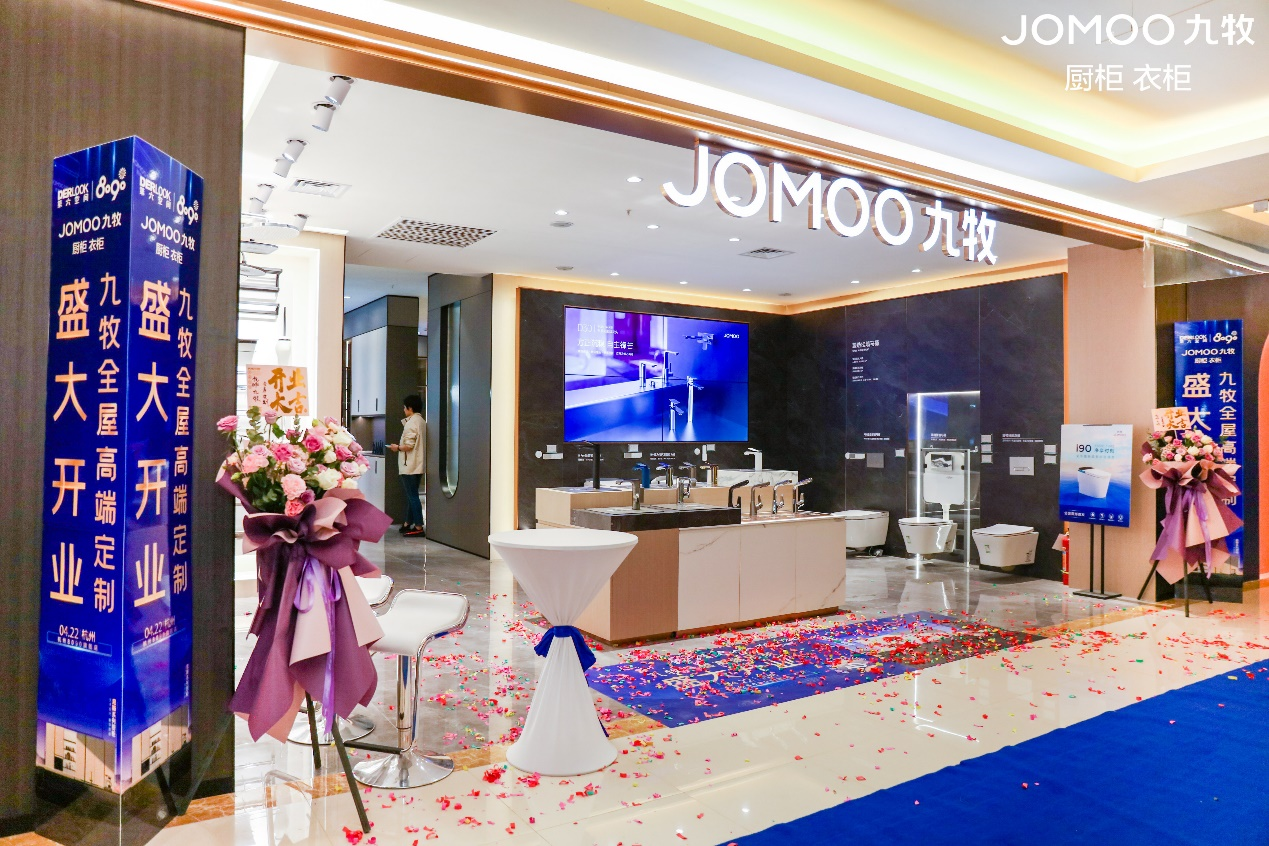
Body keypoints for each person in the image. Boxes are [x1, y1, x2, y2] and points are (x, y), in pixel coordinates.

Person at [388, 395, 425, 536]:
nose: (403, 410)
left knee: (412, 496)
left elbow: (408, 446)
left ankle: (418, 526)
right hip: (418, 464)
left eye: (404, 407)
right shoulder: (421, 421)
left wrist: (396, 447)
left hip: (409, 465)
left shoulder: (411, 423)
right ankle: (407, 523)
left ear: (410, 408)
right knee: (412, 495)